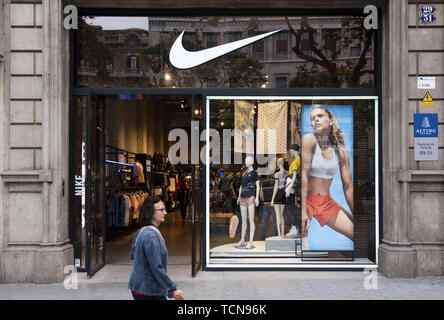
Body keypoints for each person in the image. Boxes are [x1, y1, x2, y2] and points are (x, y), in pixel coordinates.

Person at [301, 107, 354, 241]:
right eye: (312, 118)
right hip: (307, 200)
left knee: (356, 230)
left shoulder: (341, 151)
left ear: (331, 121)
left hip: (325, 201)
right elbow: (304, 175)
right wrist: (302, 209)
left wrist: (358, 213)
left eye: (319, 116)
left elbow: (348, 187)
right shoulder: (309, 140)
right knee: (302, 235)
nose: (315, 120)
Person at [128, 195, 185, 300]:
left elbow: (133, 255)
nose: (165, 213)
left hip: (139, 287)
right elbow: (157, 268)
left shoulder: (142, 231)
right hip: (149, 291)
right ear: (151, 213)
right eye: (161, 210)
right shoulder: (151, 236)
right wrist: (173, 289)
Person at [284, 144, 301, 238]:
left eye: (290, 151)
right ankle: (294, 228)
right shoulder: (298, 161)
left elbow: (294, 176)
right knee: (290, 206)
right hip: (291, 183)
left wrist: (289, 188)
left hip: (290, 183)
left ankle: (294, 228)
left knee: (290, 207)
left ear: (293, 150)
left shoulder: (296, 162)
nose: (290, 152)